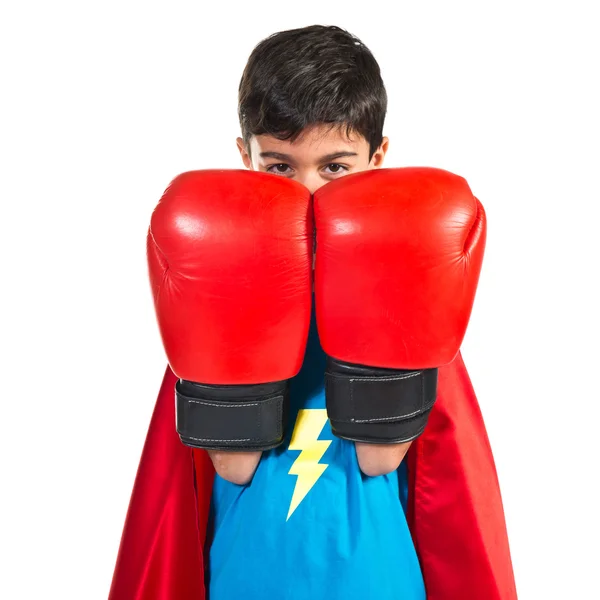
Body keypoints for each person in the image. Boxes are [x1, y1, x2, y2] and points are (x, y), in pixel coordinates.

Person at [109, 25, 517, 600]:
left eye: (334, 167)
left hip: (376, 580)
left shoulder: (407, 290)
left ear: (377, 160)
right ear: (242, 158)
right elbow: (233, 466)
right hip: (247, 576)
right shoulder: (217, 288)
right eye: (278, 168)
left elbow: (381, 460)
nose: (306, 193)